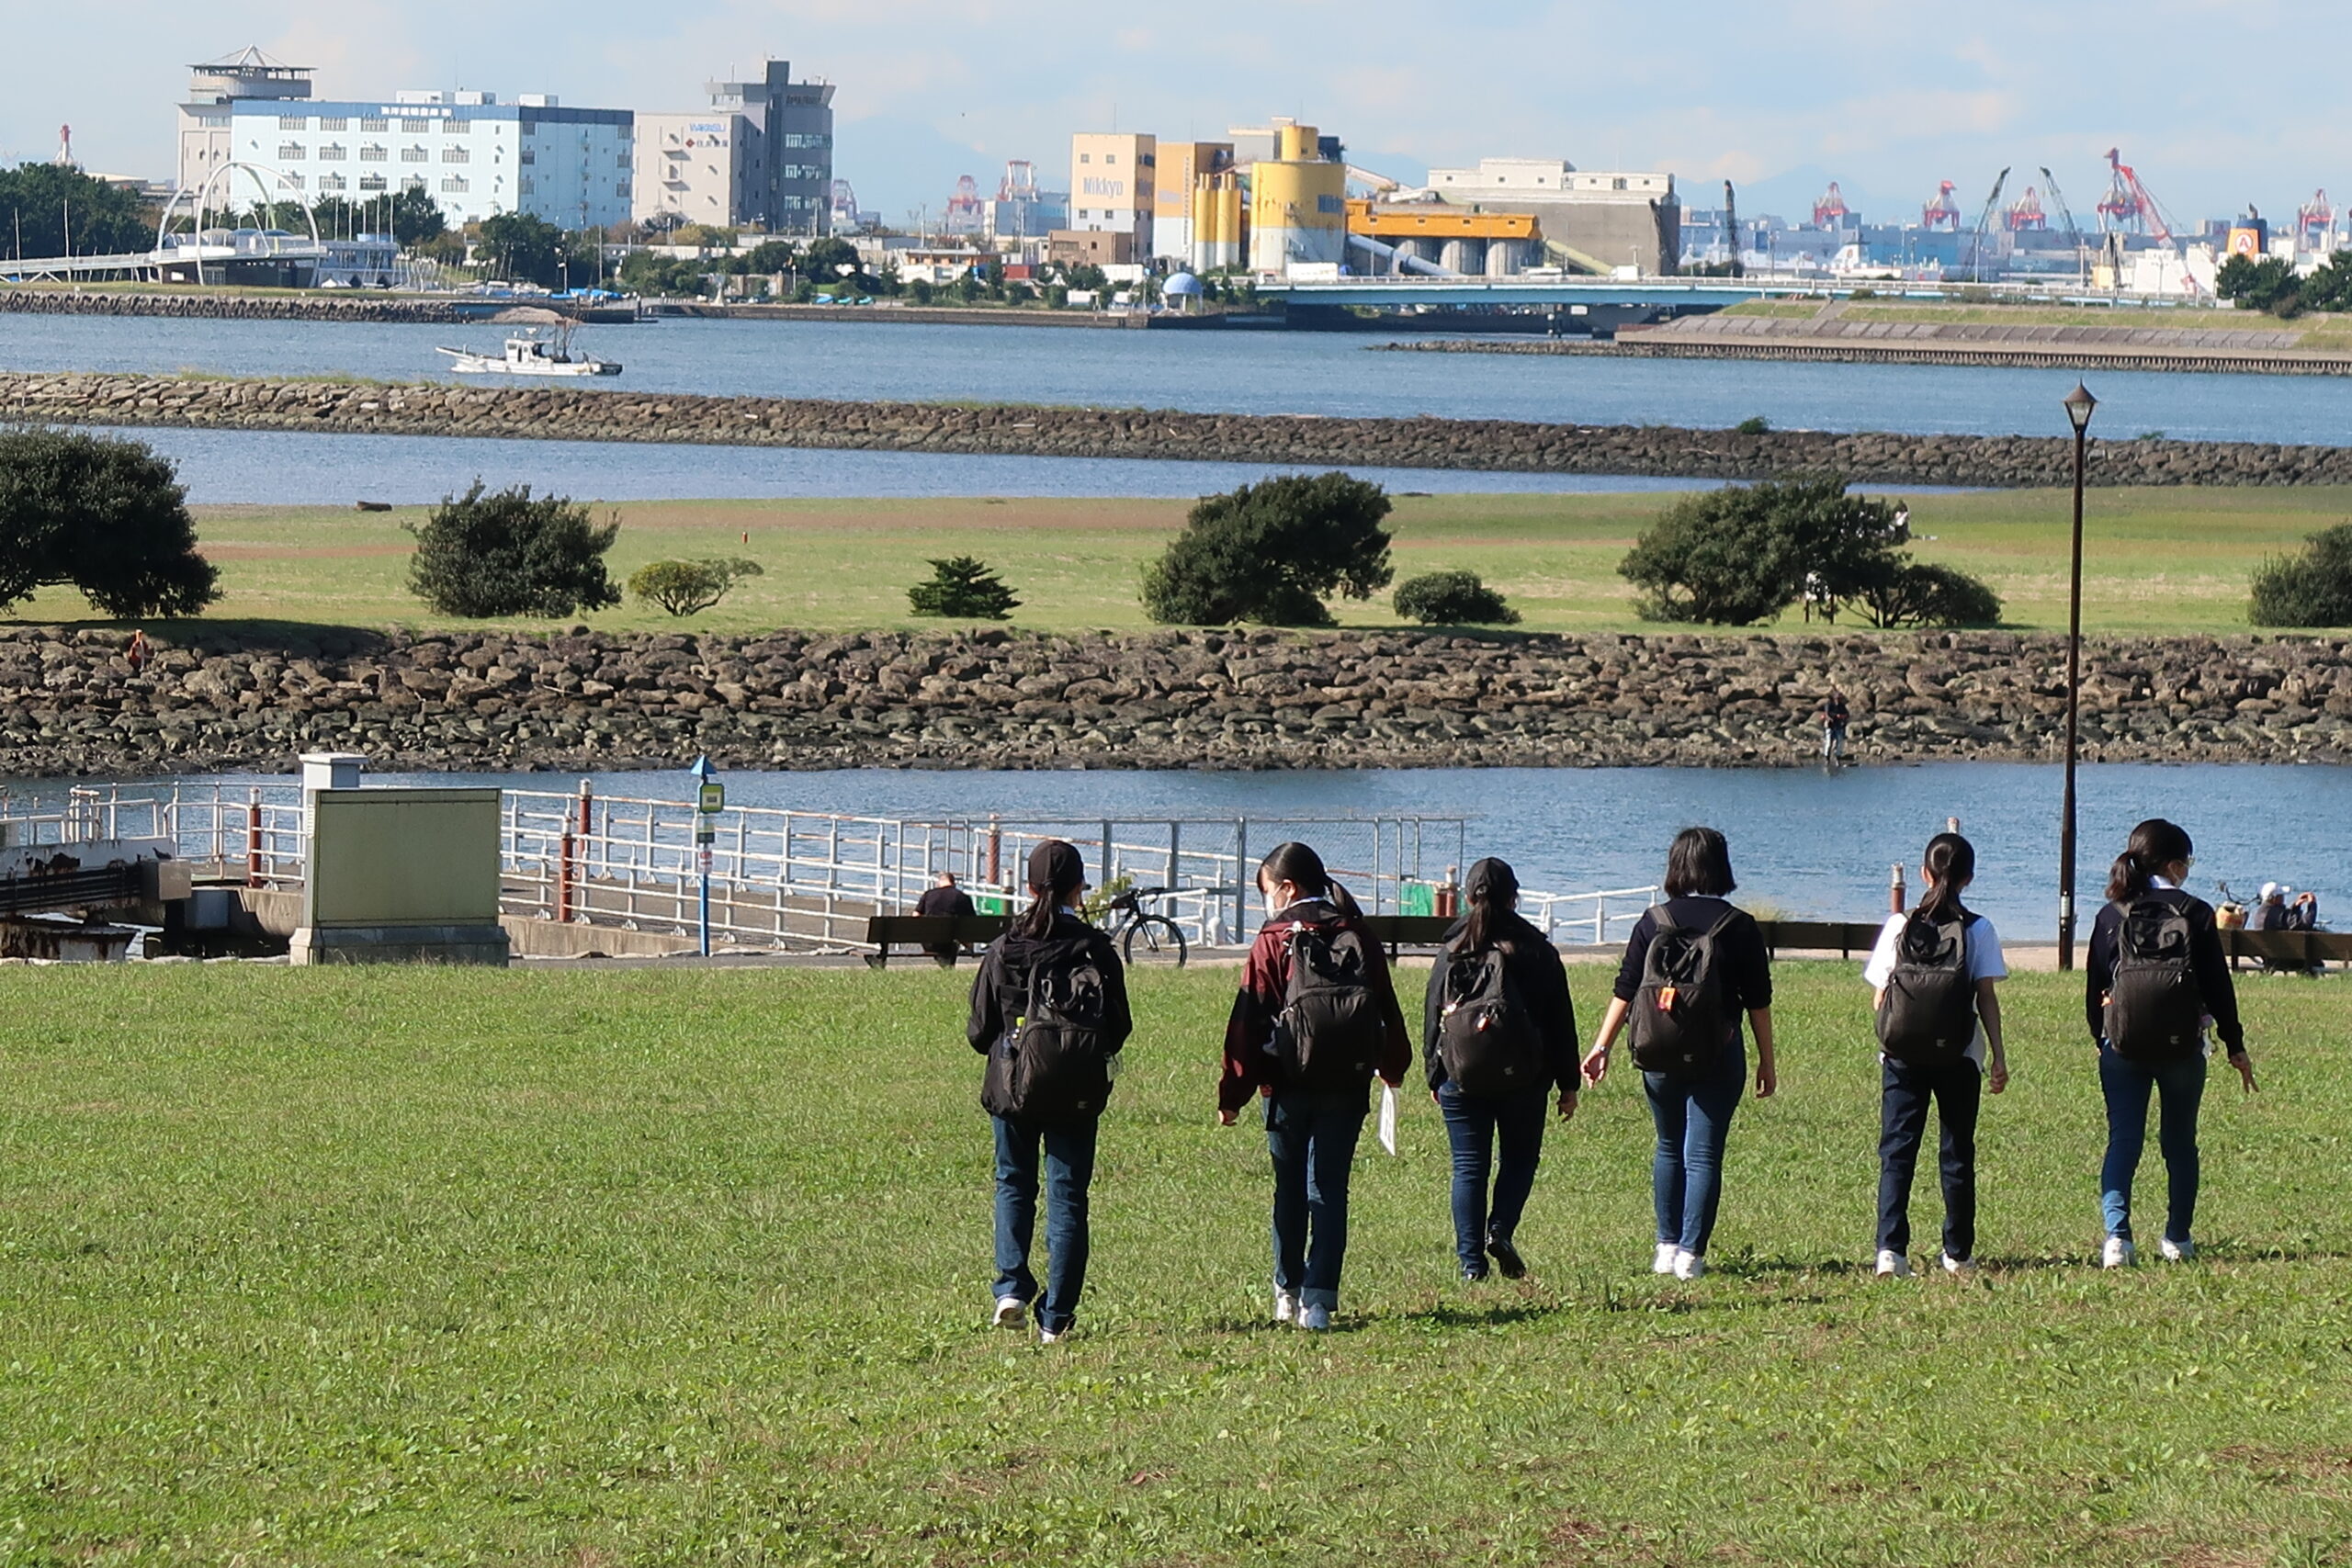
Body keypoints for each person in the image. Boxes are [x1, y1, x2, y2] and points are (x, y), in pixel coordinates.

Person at [1218, 841, 1411, 1331]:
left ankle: (1287, 1288)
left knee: (1289, 1189)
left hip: (1285, 1084)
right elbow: (1384, 1006)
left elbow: (1249, 1017)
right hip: (1347, 1084)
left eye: (1267, 891)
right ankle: (1320, 1300)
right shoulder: (1356, 932)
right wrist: (1394, 1065)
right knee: (1330, 1189)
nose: (1267, 901)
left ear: (1287, 888)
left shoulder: (1272, 938)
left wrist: (1234, 1092)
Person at [1581, 828, 1776, 1280]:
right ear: (1722, 866)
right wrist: (1767, 1061)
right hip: (1718, 1053)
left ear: (1675, 864)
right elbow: (1758, 1001)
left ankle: (1666, 1247)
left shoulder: (1653, 921)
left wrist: (1601, 1046)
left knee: (1669, 1146)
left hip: (1658, 1052)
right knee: (1703, 1154)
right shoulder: (1739, 925)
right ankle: (1691, 1254)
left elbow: (1626, 989)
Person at [967, 840, 1132, 1343]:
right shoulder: (1095, 948)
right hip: (1076, 1087)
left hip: (1014, 1082)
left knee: (1013, 1184)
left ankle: (1011, 1289)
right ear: (1079, 889)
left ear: (1029, 886)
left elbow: (979, 1030)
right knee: (1068, 1197)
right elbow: (1119, 1025)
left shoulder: (1006, 947)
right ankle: (1056, 1319)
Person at [2085, 818, 2256, 1269]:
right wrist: (2234, 1043)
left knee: (2123, 1141)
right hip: (2183, 1046)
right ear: (2175, 865)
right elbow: (2219, 987)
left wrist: (2099, 1038)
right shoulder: (2195, 911)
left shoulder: (2110, 914)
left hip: (2121, 1046)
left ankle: (2117, 1238)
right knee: (2180, 1141)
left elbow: (2094, 985)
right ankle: (2177, 1237)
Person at [1421, 857, 1579, 1282]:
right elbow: (1560, 1020)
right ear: (1515, 897)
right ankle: (1500, 1228)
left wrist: (1434, 1072)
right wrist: (1568, 1083)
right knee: (1519, 1158)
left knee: (1469, 1167)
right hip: (1525, 1077)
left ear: (1470, 897)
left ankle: (1471, 1264)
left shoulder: (1452, 949)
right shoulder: (1537, 950)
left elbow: (1432, 1012)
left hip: (1461, 1073)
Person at [1860, 832, 2008, 1279]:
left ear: (1924, 874)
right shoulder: (1978, 928)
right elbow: (1985, 998)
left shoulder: (1899, 925)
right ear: (1969, 878)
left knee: (1897, 1151)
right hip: (1960, 1054)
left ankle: (1891, 1250)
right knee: (1957, 1151)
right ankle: (1958, 1253)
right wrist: (1998, 1056)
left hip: (1902, 1053)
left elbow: (1880, 996)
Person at [915, 870, 978, 967]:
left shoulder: (928, 894)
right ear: (953, 883)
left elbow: (915, 916)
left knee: (944, 935)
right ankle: (949, 964)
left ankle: (945, 966)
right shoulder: (962, 896)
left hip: (929, 941)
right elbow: (972, 921)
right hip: (950, 940)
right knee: (955, 934)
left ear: (939, 882)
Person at [1819, 689, 1849, 762]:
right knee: (1829, 742)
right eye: (1838, 698)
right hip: (1830, 726)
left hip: (1839, 726)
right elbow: (1827, 714)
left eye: (1840, 698)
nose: (1839, 699)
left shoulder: (1842, 706)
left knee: (1839, 742)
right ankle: (1827, 758)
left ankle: (1838, 757)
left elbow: (1847, 714)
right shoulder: (1829, 704)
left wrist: (1842, 717)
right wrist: (1835, 716)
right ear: (1834, 698)